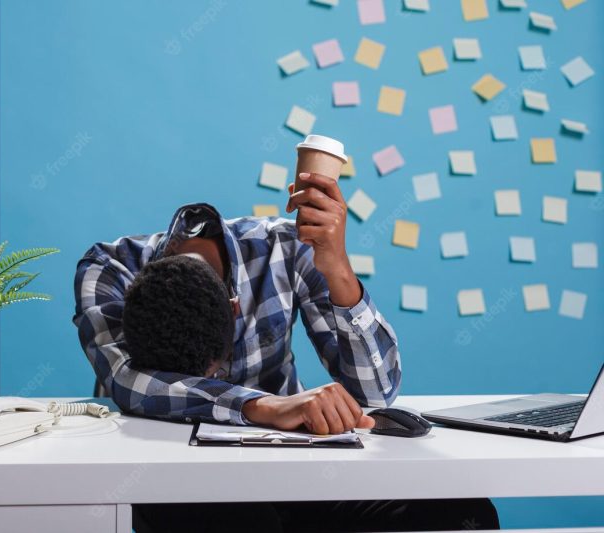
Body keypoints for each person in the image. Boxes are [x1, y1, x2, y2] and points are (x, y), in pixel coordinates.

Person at [73, 172, 499, 532]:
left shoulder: (284, 249)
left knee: (460, 511)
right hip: (176, 479)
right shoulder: (108, 271)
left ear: (234, 305)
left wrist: (336, 268)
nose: (210, 376)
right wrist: (264, 406)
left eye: (215, 365)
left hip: (291, 470)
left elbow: (376, 393)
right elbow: (127, 382)